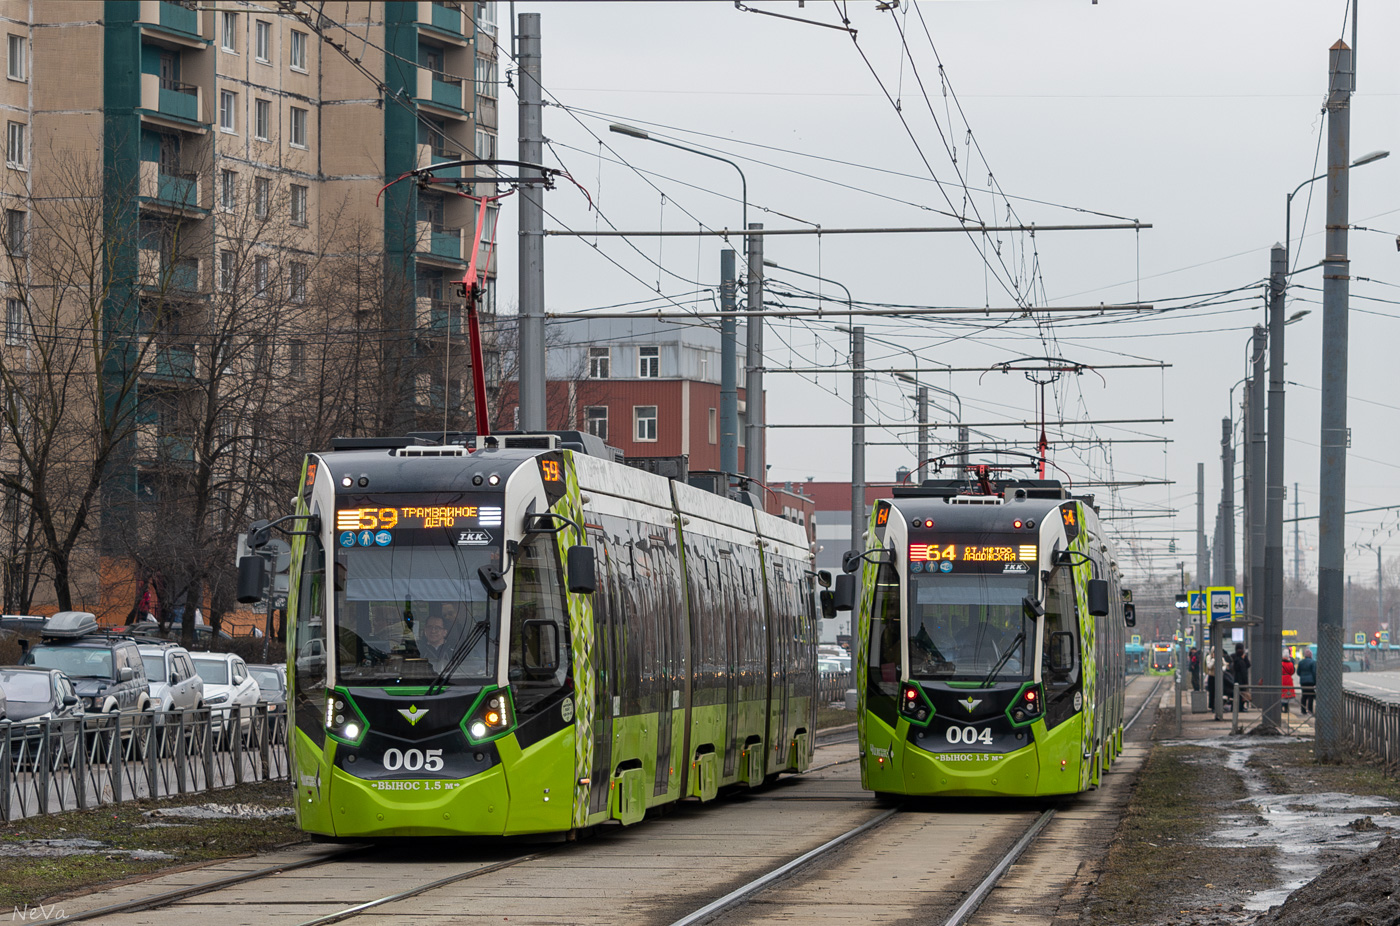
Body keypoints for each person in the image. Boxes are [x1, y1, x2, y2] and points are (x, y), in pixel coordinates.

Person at [1230, 643, 1252, 709]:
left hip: (1237, 678)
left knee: (1242, 694)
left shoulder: (1241, 657)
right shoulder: (1235, 657)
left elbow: (1248, 665)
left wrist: (1244, 658)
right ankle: (1240, 707)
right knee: (1240, 694)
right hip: (1239, 678)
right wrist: (1241, 659)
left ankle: (1241, 707)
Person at [1297, 647, 1316, 715]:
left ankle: (1303, 710)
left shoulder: (1301, 662)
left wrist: (1303, 677)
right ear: (1310, 655)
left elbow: (1298, 672)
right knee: (1311, 695)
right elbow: (1314, 672)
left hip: (1303, 681)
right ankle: (1310, 710)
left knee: (1304, 695)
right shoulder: (1313, 662)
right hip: (1311, 681)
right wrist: (1315, 681)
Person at [1281, 648, 1296, 713]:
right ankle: (1286, 708)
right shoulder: (1290, 664)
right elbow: (1292, 671)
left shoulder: (1280, 663)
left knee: (1281, 693)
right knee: (1287, 694)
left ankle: (1281, 707)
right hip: (1288, 679)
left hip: (1281, 679)